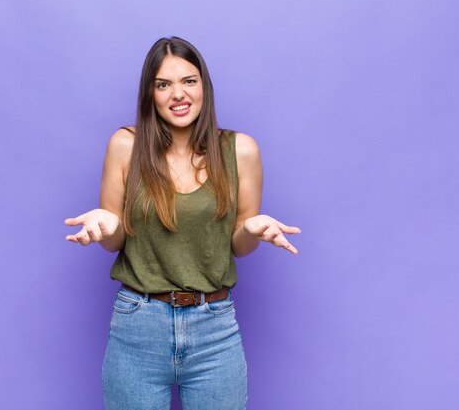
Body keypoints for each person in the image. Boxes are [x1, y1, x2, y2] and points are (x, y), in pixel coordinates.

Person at [65, 36, 300, 410]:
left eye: (189, 81)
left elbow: (238, 244)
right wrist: (106, 224)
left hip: (214, 329)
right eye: (163, 84)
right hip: (138, 326)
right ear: (150, 94)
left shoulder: (240, 150)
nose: (178, 94)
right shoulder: (126, 145)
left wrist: (252, 230)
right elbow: (115, 238)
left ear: (204, 86)